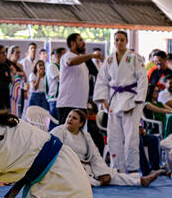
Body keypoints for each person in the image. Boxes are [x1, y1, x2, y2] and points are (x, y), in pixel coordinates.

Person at [51, 110, 158, 187]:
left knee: (112, 175)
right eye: (69, 116)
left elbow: (95, 155)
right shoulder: (58, 131)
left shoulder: (86, 136)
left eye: (74, 118)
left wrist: (102, 173)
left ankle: (140, 180)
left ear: (81, 123)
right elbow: (52, 152)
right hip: (68, 167)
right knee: (80, 180)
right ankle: (98, 182)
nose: (69, 119)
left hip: (86, 167)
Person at [94, 30, 147, 174]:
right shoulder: (110, 59)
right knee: (113, 135)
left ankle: (132, 168)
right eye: (116, 40)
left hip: (131, 98)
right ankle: (117, 167)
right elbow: (102, 79)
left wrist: (137, 100)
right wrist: (103, 98)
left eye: (122, 40)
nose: (119, 43)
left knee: (131, 137)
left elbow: (143, 79)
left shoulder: (134, 57)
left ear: (127, 41)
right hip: (115, 98)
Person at [57, 33, 103, 122]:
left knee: (78, 135)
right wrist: (91, 55)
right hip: (68, 103)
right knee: (65, 134)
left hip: (81, 104)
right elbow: (70, 62)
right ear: (73, 43)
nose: (84, 43)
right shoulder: (67, 55)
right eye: (80, 40)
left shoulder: (81, 60)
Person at [46, 48, 65, 121]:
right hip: (55, 98)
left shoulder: (62, 67)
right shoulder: (53, 66)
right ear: (58, 55)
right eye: (64, 54)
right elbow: (59, 79)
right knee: (55, 123)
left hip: (61, 99)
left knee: (60, 123)